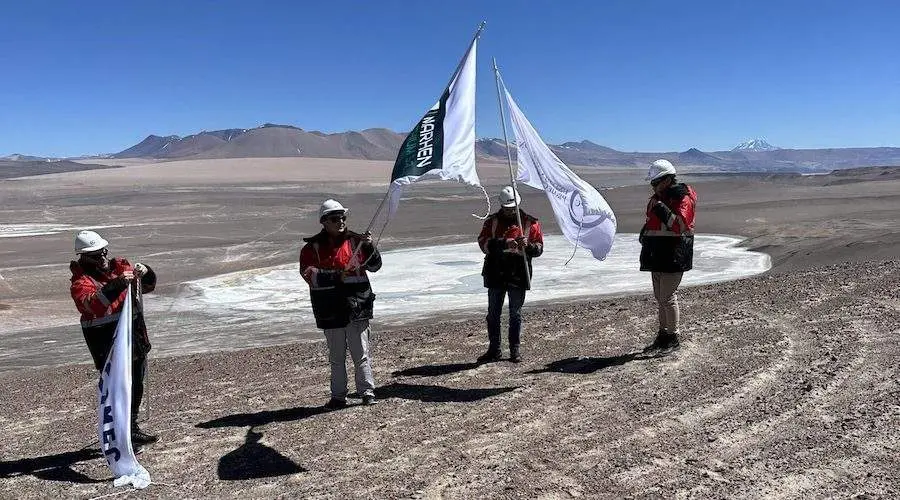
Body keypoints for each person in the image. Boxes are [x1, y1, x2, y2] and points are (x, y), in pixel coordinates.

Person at [69, 230, 159, 445]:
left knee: (136, 384)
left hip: (134, 342)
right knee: (118, 390)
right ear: (84, 257)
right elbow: (93, 304)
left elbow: (146, 287)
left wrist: (145, 272)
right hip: (109, 348)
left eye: (103, 252)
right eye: (95, 255)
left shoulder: (119, 269)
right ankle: (119, 430)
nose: (102, 258)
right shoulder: (81, 283)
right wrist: (117, 284)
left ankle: (131, 427)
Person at [299, 199, 383, 408]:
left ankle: (367, 392)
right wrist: (337, 276)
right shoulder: (312, 249)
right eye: (335, 219)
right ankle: (338, 396)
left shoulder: (357, 242)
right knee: (336, 357)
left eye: (343, 217)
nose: (341, 221)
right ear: (324, 222)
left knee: (361, 354)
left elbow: (375, 266)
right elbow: (309, 274)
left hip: (357, 307)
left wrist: (370, 245)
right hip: (330, 310)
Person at [476, 186, 544, 363]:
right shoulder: (492, 222)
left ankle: (515, 350)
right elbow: (483, 244)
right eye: (507, 209)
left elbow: (539, 249)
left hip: (518, 273)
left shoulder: (530, 223)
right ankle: (494, 350)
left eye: (512, 208)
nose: (510, 211)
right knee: (493, 313)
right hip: (496, 271)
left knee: (515, 313)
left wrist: (528, 246)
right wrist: (504, 244)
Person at [639, 159, 698, 351]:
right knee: (660, 297)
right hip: (657, 253)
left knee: (667, 296)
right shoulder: (659, 199)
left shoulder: (683, 198)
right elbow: (653, 224)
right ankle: (663, 335)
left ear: (666, 180)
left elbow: (679, 225)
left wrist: (659, 207)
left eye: (655, 182)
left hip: (674, 254)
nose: (653, 186)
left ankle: (673, 336)